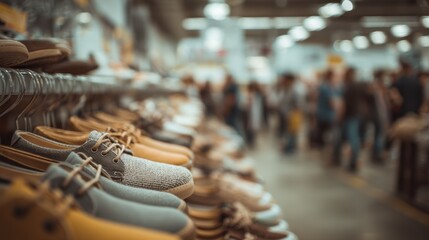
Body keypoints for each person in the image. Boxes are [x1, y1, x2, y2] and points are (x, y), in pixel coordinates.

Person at [333, 67, 362, 172]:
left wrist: (339, 117)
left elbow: (342, 104)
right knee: (350, 139)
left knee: (351, 140)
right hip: (354, 115)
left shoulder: (347, 87)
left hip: (349, 117)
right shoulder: (356, 86)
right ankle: (348, 161)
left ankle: (351, 162)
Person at [315, 70, 339, 148]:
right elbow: (331, 102)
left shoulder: (323, 86)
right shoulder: (327, 88)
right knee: (330, 134)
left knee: (322, 133)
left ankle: (322, 147)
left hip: (322, 113)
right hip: (327, 115)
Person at [278, 74, 300, 153]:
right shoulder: (286, 90)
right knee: (288, 132)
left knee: (291, 132)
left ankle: (290, 147)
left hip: (291, 115)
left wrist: (293, 113)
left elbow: (297, 105)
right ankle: (288, 146)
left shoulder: (294, 91)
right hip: (286, 114)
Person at [245, 81, 265, 146]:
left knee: (251, 129)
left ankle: (250, 141)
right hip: (255, 114)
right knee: (253, 129)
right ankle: (252, 141)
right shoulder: (258, 94)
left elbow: (249, 106)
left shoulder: (253, 95)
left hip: (252, 114)